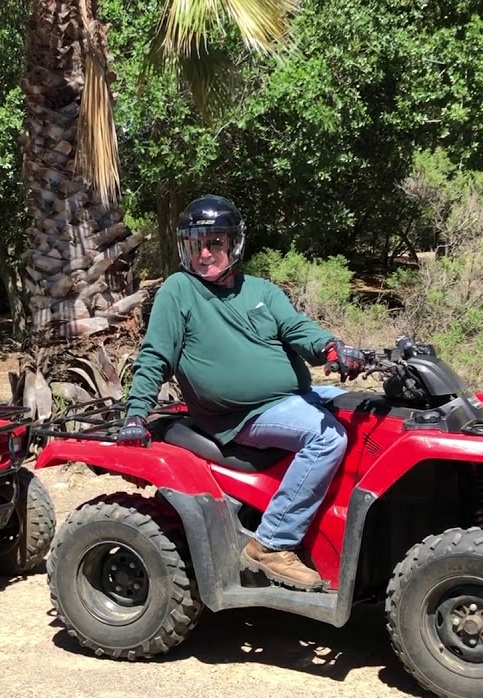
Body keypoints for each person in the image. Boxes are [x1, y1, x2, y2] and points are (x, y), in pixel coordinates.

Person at [118, 194, 367, 591]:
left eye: (214, 242)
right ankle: (272, 544)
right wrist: (136, 414)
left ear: (233, 244)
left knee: (368, 414)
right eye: (196, 244)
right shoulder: (179, 290)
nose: (204, 253)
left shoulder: (261, 291)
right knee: (326, 437)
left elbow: (298, 329)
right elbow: (155, 356)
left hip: (291, 398)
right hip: (243, 415)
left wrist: (331, 348)